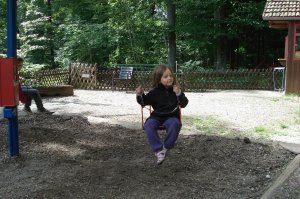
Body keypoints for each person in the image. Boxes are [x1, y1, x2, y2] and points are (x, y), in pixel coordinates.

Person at [136, 65, 189, 165]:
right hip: (157, 116)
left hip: (171, 116)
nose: (169, 78)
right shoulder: (154, 92)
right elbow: (144, 102)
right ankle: (158, 149)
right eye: (165, 77)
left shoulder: (175, 90)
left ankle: (166, 147)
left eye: (170, 76)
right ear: (159, 80)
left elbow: (184, 104)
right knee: (149, 125)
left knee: (174, 124)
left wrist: (179, 94)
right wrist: (140, 95)